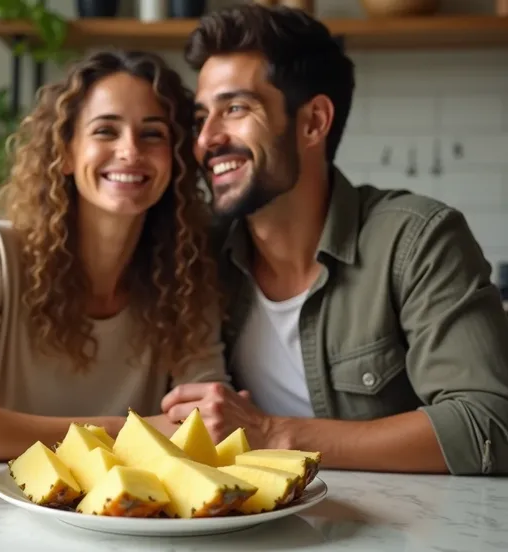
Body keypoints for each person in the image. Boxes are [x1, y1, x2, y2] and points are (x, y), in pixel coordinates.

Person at [160, 3, 508, 475]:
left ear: (313, 122)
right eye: (202, 118)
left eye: (235, 108)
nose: (205, 140)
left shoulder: (417, 240)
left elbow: (488, 424)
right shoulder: (202, 254)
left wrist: (276, 434)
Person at [0, 50, 229, 462]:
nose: (130, 151)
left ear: (174, 161)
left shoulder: (186, 277)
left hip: (129, 513)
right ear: (64, 154)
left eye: (153, 134)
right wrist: (119, 431)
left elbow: (206, 426)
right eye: (106, 131)